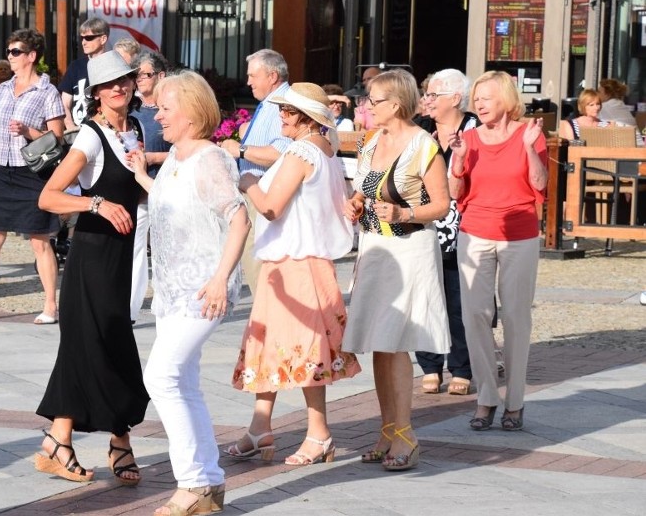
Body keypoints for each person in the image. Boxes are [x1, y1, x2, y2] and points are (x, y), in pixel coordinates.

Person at [129, 71, 249, 516]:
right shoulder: (179, 158)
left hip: (203, 289)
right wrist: (143, 175)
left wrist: (221, 278)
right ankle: (210, 484)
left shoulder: (210, 159)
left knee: (160, 377)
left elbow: (239, 218)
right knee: (184, 382)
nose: (157, 114)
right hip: (174, 291)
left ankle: (193, 483)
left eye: (165, 107)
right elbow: (172, 198)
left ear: (193, 112)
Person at [229, 83, 361, 467]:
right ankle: (260, 427)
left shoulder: (301, 150)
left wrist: (249, 182)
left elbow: (270, 207)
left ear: (305, 117)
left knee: (305, 351)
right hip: (300, 260)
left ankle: (319, 434)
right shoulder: (325, 150)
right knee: (273, 345)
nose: (281, 117)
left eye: (288, 112)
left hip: (295, 262)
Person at [35, 51, 148, 487]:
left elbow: (136, 182)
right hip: (93, 255)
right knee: (102, 343)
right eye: (108, 84)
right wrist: (95, 203)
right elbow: (49, 197)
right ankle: (117, 440)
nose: (118, 88)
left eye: (124, 80)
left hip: (121, 254)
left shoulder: (134, 129)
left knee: (99, 343)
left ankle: (57, 441)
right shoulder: (90, 137)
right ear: (96, 94)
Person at [343, 68, 450, 471]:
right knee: (378, 342)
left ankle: (406, 433)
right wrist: (355, 202)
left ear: (397, 104)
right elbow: (364, 188)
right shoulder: (371, 142)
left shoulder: (424, 146)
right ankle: (388, 429)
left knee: (398, 339)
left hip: (409, 248)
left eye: (375, 100)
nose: (367, 106)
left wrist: (405, 210)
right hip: (374, 246)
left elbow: (442, 204)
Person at [448, 71, 547, 432]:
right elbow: (456, 190)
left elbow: (540, 183)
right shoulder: (469, 138)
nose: (478, 104)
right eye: (476, 98)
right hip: (475, 232)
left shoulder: (529, 134)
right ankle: (487, 397)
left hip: (519, 234)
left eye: (485, 98)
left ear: (505, 99)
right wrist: (457, 161)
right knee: (474, 313)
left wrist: (528, 149)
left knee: (516, 317)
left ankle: (515, 402)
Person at [0, 29, 64, 324]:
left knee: (39, 240)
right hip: (0, 169)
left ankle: (50, 305)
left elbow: (57, 138)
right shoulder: (2, 89)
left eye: (16, 52)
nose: (10, 56)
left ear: (32, 56)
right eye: (9, 51)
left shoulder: (47, 92)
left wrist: (27, 132)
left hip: (31, 174)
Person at [414, 69, 479, 395]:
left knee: (457, 298)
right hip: (422, 224)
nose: (426, 100)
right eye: (426, 94)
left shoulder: (475, 130)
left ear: (455, 98)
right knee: (425, 296)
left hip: (462, 226)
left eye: (433, 95)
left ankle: (461, 366)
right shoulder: (419, 128)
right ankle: (429, 364)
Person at [219, 49, 292, 296]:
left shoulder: (282, 105)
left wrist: (240, 149)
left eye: (253, 76)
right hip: (255, 191)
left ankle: (269, 322)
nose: (248, 82)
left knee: (259, 264)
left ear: (272, 76)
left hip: (263, 192)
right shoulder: (269, 104)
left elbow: (281, 152)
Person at [129, 50, 173, 322]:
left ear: (160, 76)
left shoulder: (173, 108)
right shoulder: (130, 108)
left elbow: (187, 150)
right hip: (137, 191)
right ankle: (130, 310)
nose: (140, 80)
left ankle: (164, 305)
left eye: (145, 74)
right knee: (134, 250)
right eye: (137, 75)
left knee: (164, 250)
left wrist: (154, 157)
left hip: (166, 188)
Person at [59, 17, 110, 129]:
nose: (83, 42)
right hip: (77, 130)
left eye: (89, 38)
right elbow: (64, 103)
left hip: (105, 129)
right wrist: (70, 126)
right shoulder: (75, 66)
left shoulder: (112, 66)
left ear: (103, 39)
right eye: (82, 38)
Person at [354, 66, 383, 131]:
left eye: (369, 78)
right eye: (364, 80)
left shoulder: (389, 98)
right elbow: (360, 127)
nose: (366, 82)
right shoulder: (362, 102)